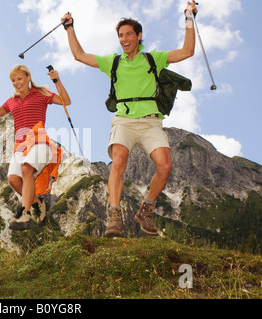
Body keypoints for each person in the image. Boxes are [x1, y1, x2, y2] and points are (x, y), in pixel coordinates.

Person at [61, 2, 198, 237]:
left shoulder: (153, 58)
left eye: (128, 34)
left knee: (165, 167)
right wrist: (70, 28)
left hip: (151, 121)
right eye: (121, 35)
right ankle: (114, 216)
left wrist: (189, 18)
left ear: (138, 36)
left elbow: (187, 51)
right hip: (123, 120)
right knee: (118, 161)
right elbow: (79, 55)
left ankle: (146, 209)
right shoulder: (113, 62)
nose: (124, 39)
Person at [0, 65, 71, 230]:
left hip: (39, 142)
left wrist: (57, 81)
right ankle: (38, 204)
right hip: (20, 147)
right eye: (13, 80)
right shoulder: (11, 101)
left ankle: (25, 213)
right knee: (14, 180)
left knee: (27, 169)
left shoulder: (41, 94)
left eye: (19, 78)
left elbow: (66, 102)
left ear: (28, 77)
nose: (17, 83)